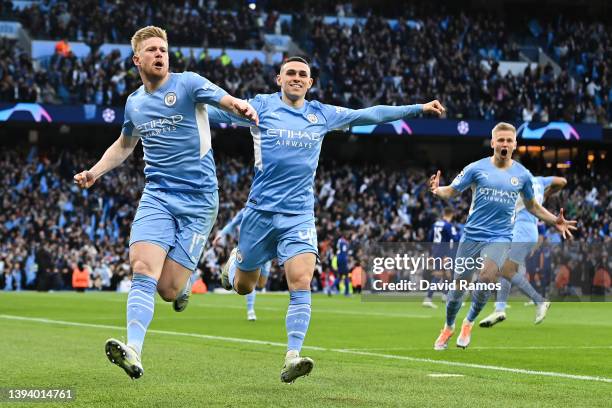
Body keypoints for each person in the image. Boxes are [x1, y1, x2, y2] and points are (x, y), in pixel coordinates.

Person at [207, 56, 445, 382]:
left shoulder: (321, 113)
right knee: (244, 285)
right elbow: (216, 109)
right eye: (290, 73)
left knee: (301, 281)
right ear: (279, 78)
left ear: (310, 82)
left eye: (302, 74)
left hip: (299, 215)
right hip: (259, 213)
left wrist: (417, 108)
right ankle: (234, 265)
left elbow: (370, 114)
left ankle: (292, 355)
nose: (296, 78)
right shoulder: (259, 106)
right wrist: (179, 101)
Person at [73, 26, 258, 379]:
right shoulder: (135, 103)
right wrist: (95, 172)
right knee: (142, 268)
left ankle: (188, 281)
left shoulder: (188, 84)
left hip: (200, 201)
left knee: (169, 290)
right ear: (137, 59)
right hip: (157, 195)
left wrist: (239, 105)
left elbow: (224, 99)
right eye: (153, 50)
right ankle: (134, 349)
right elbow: (125, 145)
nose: (160, 54)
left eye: (164, 49)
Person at [429, 122, 576, 350]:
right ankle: (448, 327)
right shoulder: (476, 168)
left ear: (515, 144)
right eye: (501, 140)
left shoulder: (523, 175)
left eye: (509, 140)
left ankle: (468, 322)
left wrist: (554, 219)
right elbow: (452, 191)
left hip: (500, 236)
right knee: (458, 287)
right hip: (472, 235)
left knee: (487, 278)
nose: (505, 144)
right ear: (493, 143)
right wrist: (438, 190)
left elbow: (533, 206)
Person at [479, 175, 567, 327]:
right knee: (505, 269)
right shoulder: (539, 181)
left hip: (521, 229)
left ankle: (539, 301)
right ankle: (499, 309)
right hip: (528, 230)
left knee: (505, 270)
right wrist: (546, 194)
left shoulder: (514, 181)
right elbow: (562, 181)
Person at [212, 208, 272, 321]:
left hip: (266, 250)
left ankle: (233, 262)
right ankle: (250, 310)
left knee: (261, 284)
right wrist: (221, 234)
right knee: (249, 284)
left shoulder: (273, 207)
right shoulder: (248, 209)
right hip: (251, 248)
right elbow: (233, 223)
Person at [423, 207, 458, 308]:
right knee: (439, 275)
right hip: (444, 252)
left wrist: (431, 254)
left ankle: (445, 295)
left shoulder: (435, 224)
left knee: (446, 274)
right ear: (451, 214)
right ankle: (428, 298)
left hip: (436, 250)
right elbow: (455, 238)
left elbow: (429, 239)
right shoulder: (448, 225)